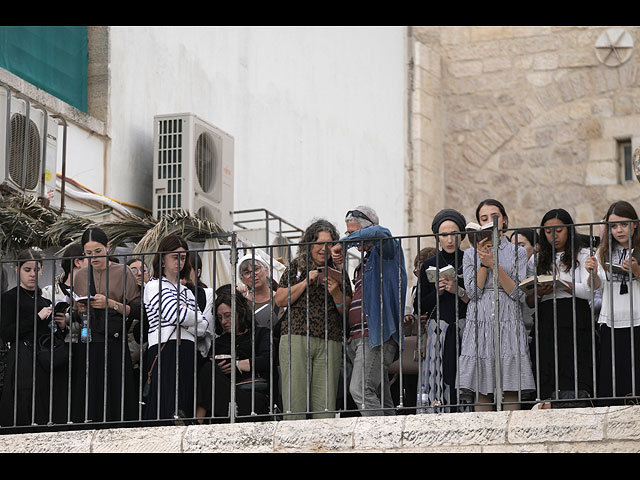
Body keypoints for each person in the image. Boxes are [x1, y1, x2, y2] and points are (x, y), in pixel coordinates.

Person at [459, 199, 536, 411]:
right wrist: (484, 261)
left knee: (511, 387)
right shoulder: (469, 254)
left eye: (494, 217)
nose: (489, 222)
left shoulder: (517, 252)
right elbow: (473, 292)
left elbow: (517, 292)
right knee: (482, 388)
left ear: (504, 220)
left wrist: (494, 264)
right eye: (484, 219)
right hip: (480, 318)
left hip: (508, 317)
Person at [331, 206, 407, 416]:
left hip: (375, 334)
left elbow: (382, 232)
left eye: (355, 233)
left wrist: (344, 242)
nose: (353, 240)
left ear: (368, 229)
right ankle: (394, 442)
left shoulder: (387, 250)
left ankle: (380, 442)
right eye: (349, 234)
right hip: (359, 337)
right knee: (381, 398)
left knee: (360, 390)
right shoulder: (363, 263)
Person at [275, 219, 352, 420]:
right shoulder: (295, 267)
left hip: (330, 339)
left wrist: (335, 292)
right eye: (318, 243)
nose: (322, 249)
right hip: (296, 337)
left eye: (328, 244)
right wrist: (305, 282)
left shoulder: (340, 273)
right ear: (309, 244)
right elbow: (280, 299)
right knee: (295, 403)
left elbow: (347, 310)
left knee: (325, 407)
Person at [70, 227, 142, 423]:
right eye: (88, 253)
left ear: (108, 247)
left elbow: (137, 310)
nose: (94, 257)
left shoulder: (123, 271)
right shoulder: (81, 276)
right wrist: (80, 309)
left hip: (115, 341)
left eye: (98, 251)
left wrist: (111, 303)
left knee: (116, 390)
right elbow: (75, 314)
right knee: (89, 391)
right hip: (90, 340)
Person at [526, 209, 598, 404]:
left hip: (575, 314)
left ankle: (579, 402)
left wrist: (564, 285)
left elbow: (589, 291)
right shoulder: (537, 258)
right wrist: (540, 292)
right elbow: (529, 301)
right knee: (547, 364)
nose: (554, 236)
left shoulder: (583, 254)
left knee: (575, 364)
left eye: (559, 230)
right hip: (547, 317)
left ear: (569, 230)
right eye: (548, 232)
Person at [142, 234, 210, 422]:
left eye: (182, 257)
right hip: (165, 348)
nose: (179, 262)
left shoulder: (187, 291)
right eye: (175, 256)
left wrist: (187, 318)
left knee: (184, 403)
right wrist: (190, 319)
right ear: (162, 258)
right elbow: (175, 314)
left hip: (187, 348)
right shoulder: (154, 286)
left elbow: (204, 327)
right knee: (165, 403)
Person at [0, 249, 69, 426]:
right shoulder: (9, 298)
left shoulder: (44, 300)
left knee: (45, 404)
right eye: (27, 270)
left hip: (44, 359)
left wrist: (61, 325)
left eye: (36, 269)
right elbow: (7, 333)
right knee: (24, 404)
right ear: (17, 270)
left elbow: (50, 335)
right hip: (23, 358)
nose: (32, 274)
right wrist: (38, 317)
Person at [414, 209, 469, 412]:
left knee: (463, 375)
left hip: (465, 328)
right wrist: (437, 291)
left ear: (461, 235)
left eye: (454, 234)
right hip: (439, 330)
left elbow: (477, 297)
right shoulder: (429, 264)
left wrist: (457, 289)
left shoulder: (469, 260)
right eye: (444, 234)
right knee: (437, 374)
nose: (449, 239)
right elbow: (420, 304)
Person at [196, 285, 272, 422]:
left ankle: (197, 420)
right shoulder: (219, 342)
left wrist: (236, 364)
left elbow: (268, 360)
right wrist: (218, 369)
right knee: (207, 368)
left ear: (241, 312)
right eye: (219, 318)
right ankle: (197, 421)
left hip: (250, 396)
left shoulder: (260, 334)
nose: (223, 321)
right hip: (223, 397)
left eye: (227, 315)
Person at [594, 200, 640, 404]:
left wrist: (637, 271)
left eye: (624, 224)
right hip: (612, 319)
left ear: (635, 224)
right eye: (613, 226)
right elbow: (595, 287)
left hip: (637, 318)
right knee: (614, 376)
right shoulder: (603, 251)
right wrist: (591, 272)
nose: (619, 230)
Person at [41, 243, 87, 344]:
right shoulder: (48, 292)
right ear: (77, 262)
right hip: (56, 349)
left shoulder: (91, 292)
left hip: (84, 349)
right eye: (88, 257)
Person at [509, 228, 538, 337]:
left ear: (536, 247)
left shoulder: (540, 270)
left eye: (521, 245)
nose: (516, 250)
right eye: (512, 246)